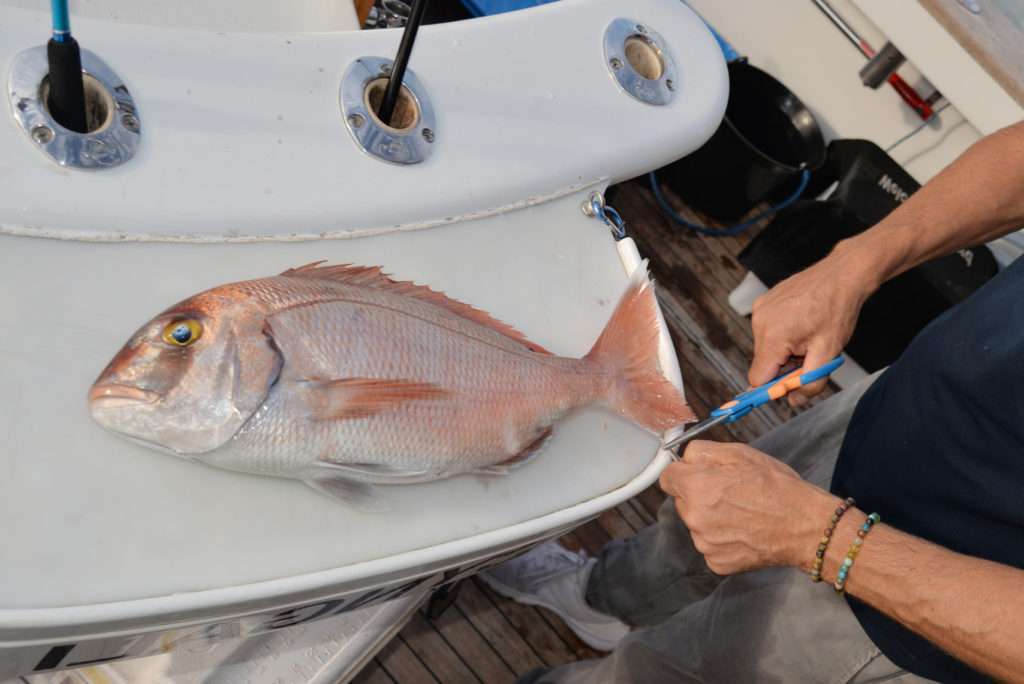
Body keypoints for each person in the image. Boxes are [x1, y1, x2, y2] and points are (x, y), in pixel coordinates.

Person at [481, 120, 1024, 683]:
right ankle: (600, 599)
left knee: (669, 672)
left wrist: (820, 537)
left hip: (915, 613)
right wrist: (852, 266)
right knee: (687, 534)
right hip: (907, 404)